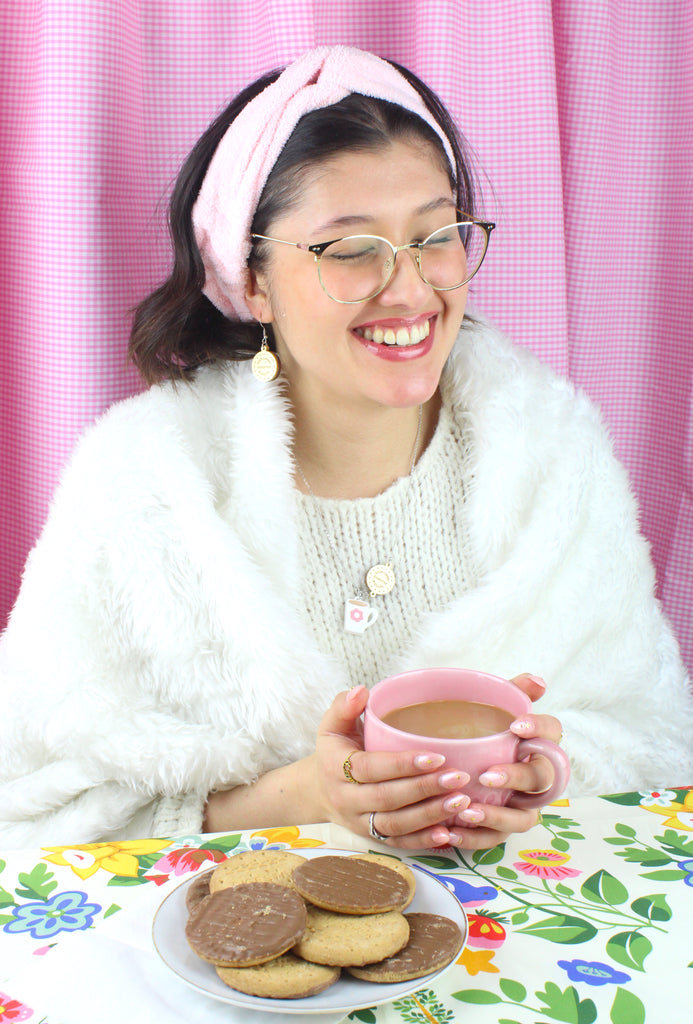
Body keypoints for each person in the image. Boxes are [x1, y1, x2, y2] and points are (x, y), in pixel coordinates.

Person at [1, 46, 691, 853]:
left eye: (435, 236)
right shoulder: (144, 489)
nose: (408, 289)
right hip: (230, 950)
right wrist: (304, 795)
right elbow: (30, 808)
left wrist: (545, 772)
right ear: (250, 280)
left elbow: (653, 746)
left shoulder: (552, 460)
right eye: (349, 249)